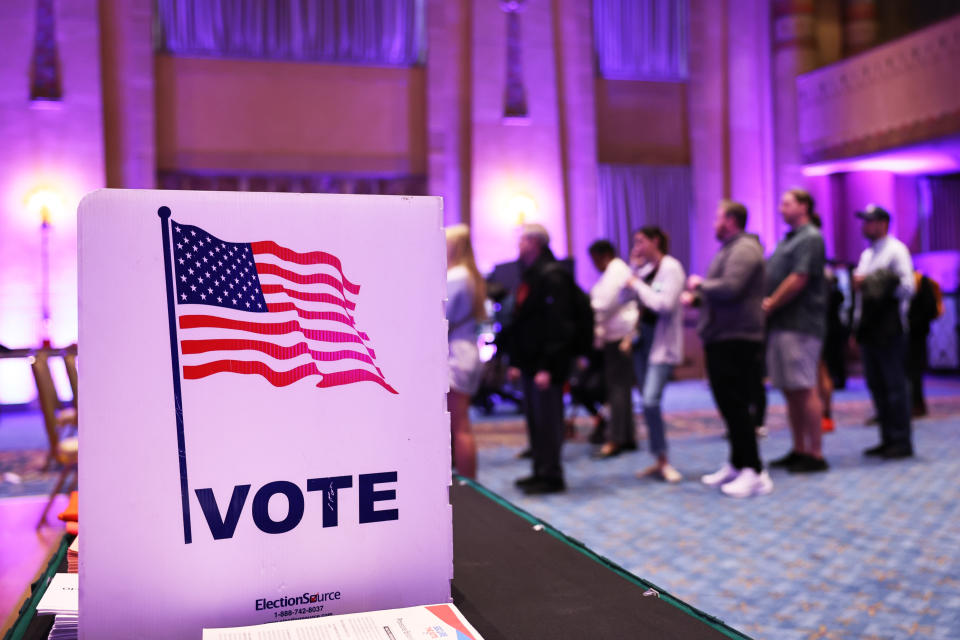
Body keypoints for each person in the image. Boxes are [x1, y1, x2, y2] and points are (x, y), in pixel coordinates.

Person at [687, 200, 772, 498]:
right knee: (728, 404)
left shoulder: (745, 249)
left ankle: (754, 470)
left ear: (732, 220)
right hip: (724, 335)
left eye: (718, 217)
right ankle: (738, 463)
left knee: (736, 404)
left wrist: (700, 285)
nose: (714, 223)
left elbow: (731, 287)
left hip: (738, 337)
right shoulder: (730, 248)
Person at [501, 224, 577, 494]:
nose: (518, 245)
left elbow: (559, 326)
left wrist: (548, 366)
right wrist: (516, 361)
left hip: (546, 364)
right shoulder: (532, 274)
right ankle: (539, 470)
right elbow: (524, 323)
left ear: (534, 242)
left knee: (549, 420)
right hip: (530, 362)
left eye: (521, 240)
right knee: (535, 420)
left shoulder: (553, 275)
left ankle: (553, 475)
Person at [763, 189, 829, 474]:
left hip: (801, 324)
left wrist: (770, 303)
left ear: (803, 207)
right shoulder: (790, 238)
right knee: (791, 390)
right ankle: (798, 448)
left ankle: (815, 453)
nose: (780, 208)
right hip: (784, 323)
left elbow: (799, 278)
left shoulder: (810, 237)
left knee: (804, 388)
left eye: (786, 203)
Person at [854, 204, 915, 459]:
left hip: (890, 328)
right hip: (869, 327)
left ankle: (901, 440)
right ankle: (887, 437)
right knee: (877, 385)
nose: (864, 226)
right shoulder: (867, 254)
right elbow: (860, 296)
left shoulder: (896, 250)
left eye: (869, 221)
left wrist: (877, 284)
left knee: (894, 385)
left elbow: (908, 287)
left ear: (883, 223)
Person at [626, 227, 685, 483]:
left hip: (661, 344)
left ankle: (664, 459)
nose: (637, 245)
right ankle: (659, 459)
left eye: (641, 241)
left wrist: (638, 284)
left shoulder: (671, 267)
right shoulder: (644, 270)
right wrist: (633, 269)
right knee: (647, 405)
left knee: (650, 401)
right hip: (642, 344)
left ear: (655, 241)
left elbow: (663, 304)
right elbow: (624, 297)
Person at [588, 240, 639, 459]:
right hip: (617, 335)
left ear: (604, 255)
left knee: (617, 390)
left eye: (595, 260)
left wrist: (589, 318)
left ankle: (617, 438)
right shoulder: (615, 271)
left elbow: (604, 305)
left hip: (619, 337)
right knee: (621, 390)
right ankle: (626, 436)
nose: (594, 265)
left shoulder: (615, 271)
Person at [445, 224, 486, 479]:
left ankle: (468, 484)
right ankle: (467, 483)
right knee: (460, 423)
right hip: (466, 351)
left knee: (458, 425)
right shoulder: (470, 275)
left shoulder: (456, 276)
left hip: (456, 355)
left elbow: (441, 316)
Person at [907, 270, 943, 417]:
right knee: (909, 371)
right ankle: (912, 404)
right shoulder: (915, 280)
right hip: (909, 333)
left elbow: (930, 309)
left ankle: (917, 405)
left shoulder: (920, 281)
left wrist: (914, 323)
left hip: (917, 333)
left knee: (914, 370)